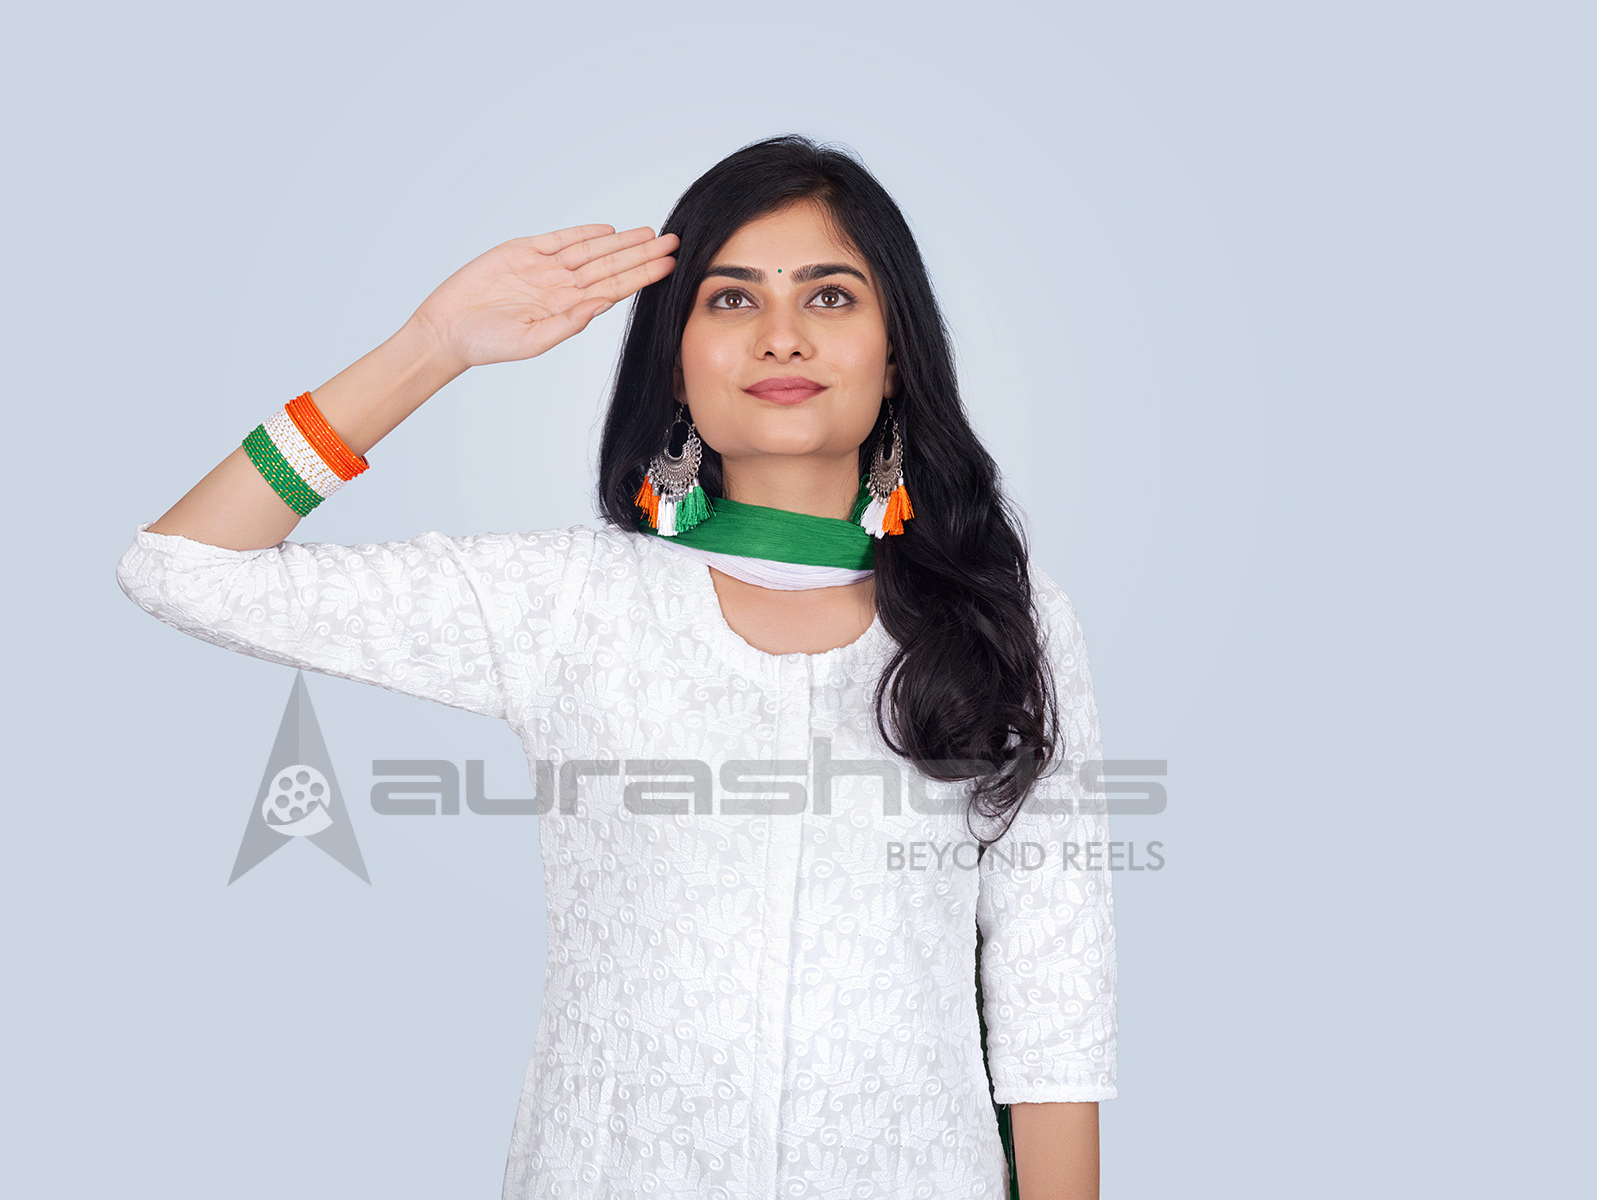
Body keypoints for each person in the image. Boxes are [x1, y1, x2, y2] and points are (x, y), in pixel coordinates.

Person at [116, 134, 1116, 1200]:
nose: (782, 337)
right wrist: (431, 346)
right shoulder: (567, 604)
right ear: (675, 359)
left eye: (830, 299)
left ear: (897, 350)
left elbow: (1053, 998)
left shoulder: (1003, 618)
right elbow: (183, 571)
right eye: (731, 302)